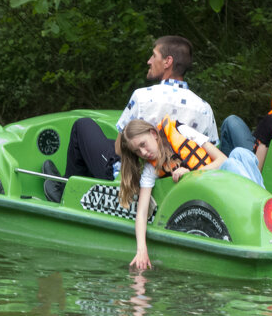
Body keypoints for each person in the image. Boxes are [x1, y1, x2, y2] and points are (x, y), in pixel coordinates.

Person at [44, 35, 218, 201]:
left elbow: (120, 149)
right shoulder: (204, 108)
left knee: (83, 126)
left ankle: (66, 192)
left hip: (133, 180)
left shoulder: (143, 97)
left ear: (168, 62)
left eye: (154, 55)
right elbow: (211, 154)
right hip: (179, 183)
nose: (149, 61)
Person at [118, 118, 263, 271]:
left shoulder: (182, 131)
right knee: (234, 162)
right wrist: (142, 250)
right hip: (214, 201)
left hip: (224, 184)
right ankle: (261, 212)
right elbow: (141, 213)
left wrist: (191, 174)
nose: (143, 153)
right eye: (137, 151)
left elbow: (222, 160)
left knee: (240, 154)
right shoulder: (150, 170)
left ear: (153, 133)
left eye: (143, 145)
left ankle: (261, 205)